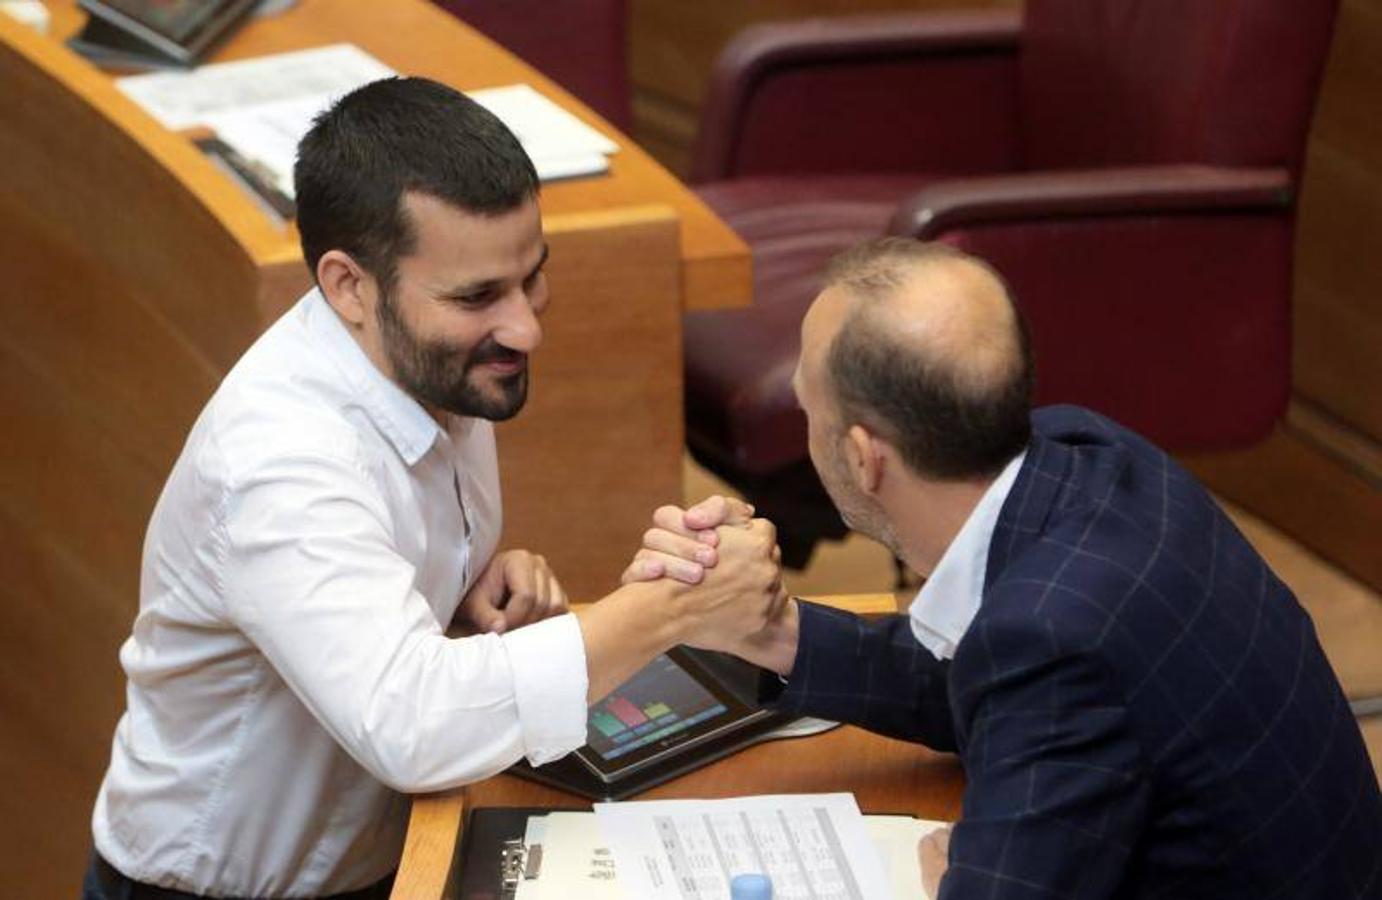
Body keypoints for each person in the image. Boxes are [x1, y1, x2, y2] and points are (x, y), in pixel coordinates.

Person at [83, 77, 784, 900]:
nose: (527, 327)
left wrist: (454, 595)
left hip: (389, 850)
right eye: (479, 296)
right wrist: (670, 609)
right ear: (350, 286)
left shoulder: (429, 357)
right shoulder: (281, 462)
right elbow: (410, 725)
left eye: (533, 277)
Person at [631, 238, 1382, 899]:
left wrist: (958, 875)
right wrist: (776, 633)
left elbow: (1032, 676)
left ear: (863, 458)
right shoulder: (1087, 452)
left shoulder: (1051, 638)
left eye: (808, 408)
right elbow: (986, 676)